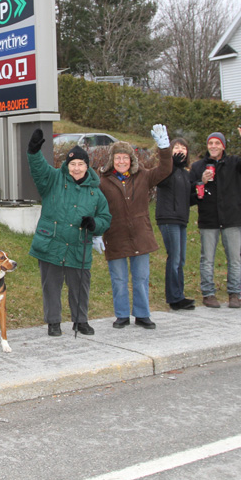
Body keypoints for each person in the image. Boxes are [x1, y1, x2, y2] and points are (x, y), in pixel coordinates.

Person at [26, 130, 111, 337]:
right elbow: (39, 169)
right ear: (67, 165)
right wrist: (33, 151)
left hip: (78, 246)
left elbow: (105, 218)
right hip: (51, 243)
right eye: (72, 164)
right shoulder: (53, 179)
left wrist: (95, 223)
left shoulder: (95, 192)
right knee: (51, 287)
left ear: (87, 166)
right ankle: (53, 322)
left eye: (81, 164)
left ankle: (80, 321)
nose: (76, 168)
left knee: (80, 286)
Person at [98, 126, 173, 329]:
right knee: (119, 279)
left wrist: (164, 147)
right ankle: (122, 315)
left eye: (125, 157)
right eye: (118, 158)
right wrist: (96, 233)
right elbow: (95, 207)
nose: (121, 161)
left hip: (141, 236)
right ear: (112, 160)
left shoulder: (144, 176)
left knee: (141, 278)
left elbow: (165, 169)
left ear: (131, 159)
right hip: (115, 236)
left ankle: (142, 314)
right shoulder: (103, 182)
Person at [188, 121, 241, 309]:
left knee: (235, 258)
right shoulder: (197, 167)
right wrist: (201, 182)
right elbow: (190, 196)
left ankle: (234, 293)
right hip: (209, 220)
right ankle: (208, 293)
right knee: (207, 259)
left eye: (217, 143)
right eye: (210, 143)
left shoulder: (235, 163)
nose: (213, 146)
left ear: (223, 146)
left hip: (232, 219)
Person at [155, 138, 195, 311]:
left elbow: (187, 200)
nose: (180, 150)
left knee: (181, 259)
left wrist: (201, 190)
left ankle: (179, 294)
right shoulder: (166, 170)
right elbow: (160, 181)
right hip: (168, 218)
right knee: (175, 257)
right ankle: (174, 298)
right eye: (176, 147)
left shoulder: (185, 174)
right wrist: (171, 165)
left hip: (181, 218)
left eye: (183, 148)